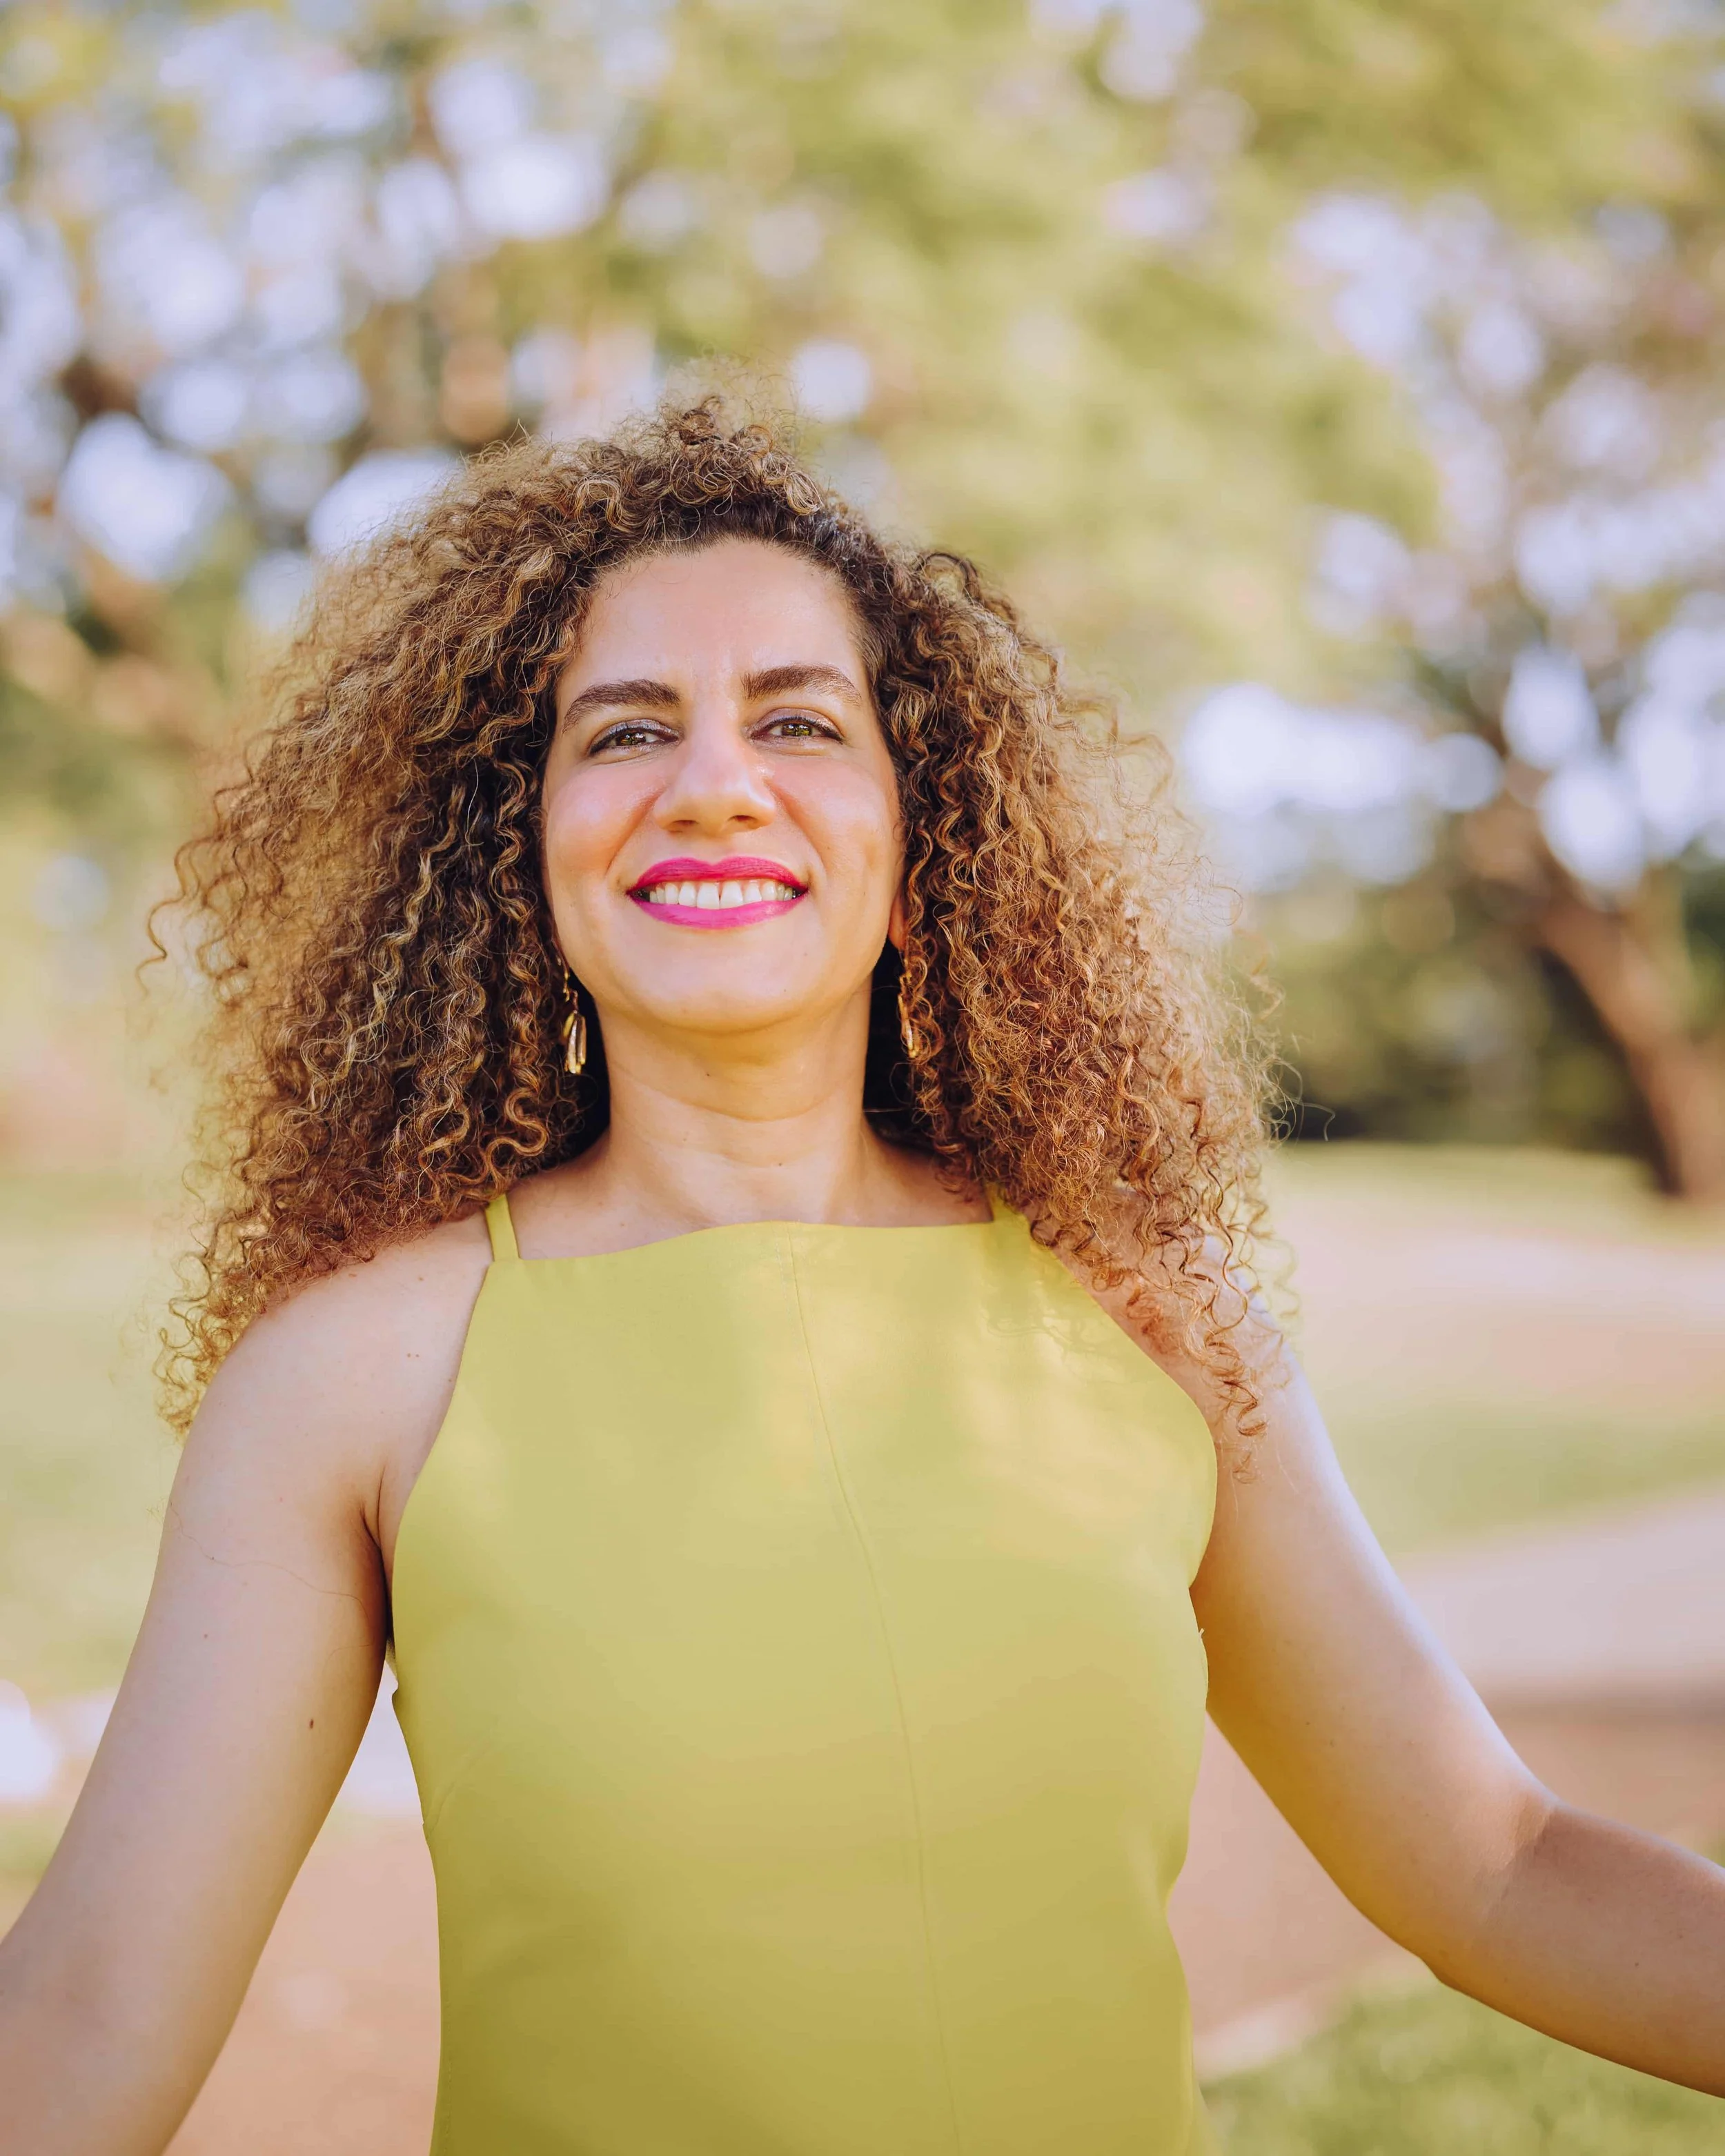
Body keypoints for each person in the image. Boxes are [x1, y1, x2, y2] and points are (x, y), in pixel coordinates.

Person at [1, 399, 1720, 2156]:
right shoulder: (360, 1371)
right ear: (517, 851)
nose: (713, 778)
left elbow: (1495, 1864)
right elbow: (87, 2017)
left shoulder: (1150, 1316)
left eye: (799, 720)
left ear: (926, 840)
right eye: (626, 730)